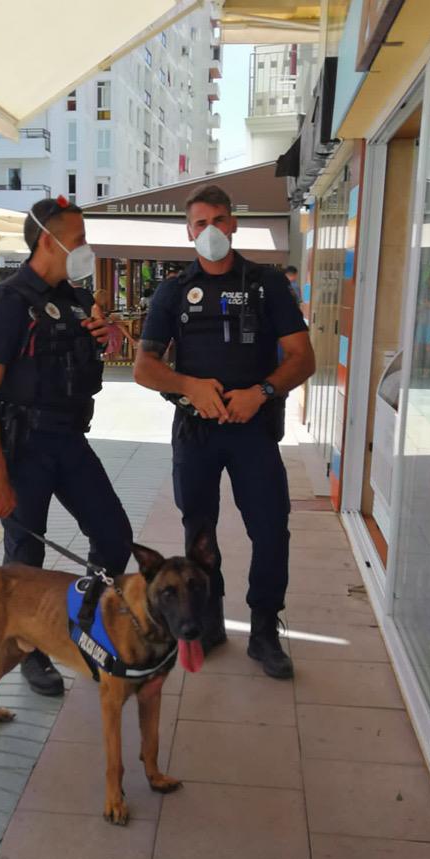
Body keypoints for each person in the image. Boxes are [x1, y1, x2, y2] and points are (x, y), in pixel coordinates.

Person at [134, 184, 315, 680]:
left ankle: (263, 631)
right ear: (188, 230)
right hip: (196, 432)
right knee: (200, 535)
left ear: (233, 224)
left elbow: (304, 358)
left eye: (218, 220)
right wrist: (189, 385)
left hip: (253, 428)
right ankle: (207, 624)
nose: (209, 230)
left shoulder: (267, 283)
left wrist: (263, 391)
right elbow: (144, 368)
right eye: (199, 223)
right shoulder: (173, 290)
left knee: (271, 530)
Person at [0, 195, 133, 696]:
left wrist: (113, 336)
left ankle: (86, 625)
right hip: (26, 444)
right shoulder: (7, 303)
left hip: (69, 439)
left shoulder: (79, 298)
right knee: (24, 554)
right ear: (49, 240)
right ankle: (28, 649)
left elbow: (93, 352)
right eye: (79, 240)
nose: (86, 250)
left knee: (114, 536)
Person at [91, 287, 137, 360]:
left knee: (119, 325)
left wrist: (109, 318)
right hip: (101, 327)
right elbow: (101, 320)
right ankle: (131, 341)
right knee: (119, 327)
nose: (106, 301)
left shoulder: (96, 307)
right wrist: (110, 319)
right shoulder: (96, 307)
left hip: (102, 326)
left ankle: (131, 341)